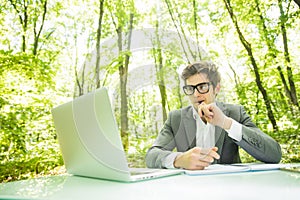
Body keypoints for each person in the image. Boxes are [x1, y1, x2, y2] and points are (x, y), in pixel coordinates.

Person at [145, 61, 282, 170]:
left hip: (229, 189)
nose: (196, 94)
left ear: (217, 88)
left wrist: (226, 123)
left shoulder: (235, 112)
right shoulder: (176, 118)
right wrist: (178, 159)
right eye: (190, 89)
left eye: (202, 87)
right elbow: (151, 155)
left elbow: (274, 154)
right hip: (189, 189)